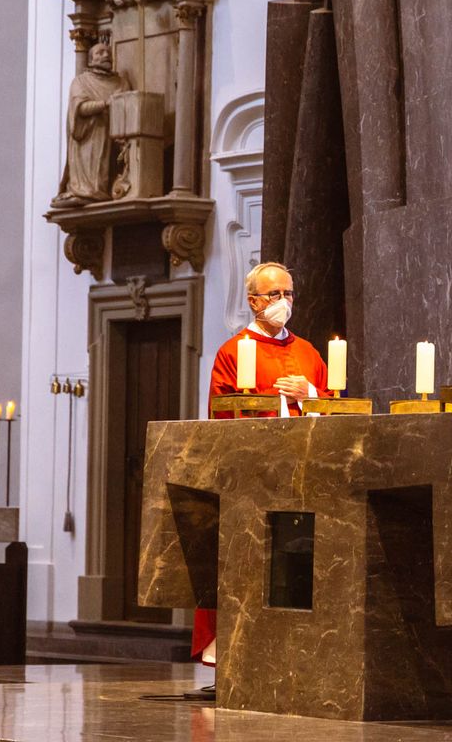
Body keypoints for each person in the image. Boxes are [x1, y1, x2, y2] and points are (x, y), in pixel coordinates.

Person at [194, 262, 330, 673]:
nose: (283, 302)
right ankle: (240, 661)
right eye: (274, 295)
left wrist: (309, 394)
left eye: (289, 294)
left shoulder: (307, 352)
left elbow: (333, 406)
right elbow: (223, 412)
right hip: (253, 479)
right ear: (252, 300)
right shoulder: (234, 352)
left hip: (303, 475)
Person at [51, 43, 129, 208]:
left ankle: (104, 191)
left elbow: (128, 107)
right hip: (89, 135)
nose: (106, 55)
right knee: (93, 167)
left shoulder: (120, 82)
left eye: (108, 52)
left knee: (109, 167)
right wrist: (105, 104)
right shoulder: (81, 81)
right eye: (100, 53)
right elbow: (79, 109)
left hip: (113, 136)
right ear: (90, 59)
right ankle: (86, 192)